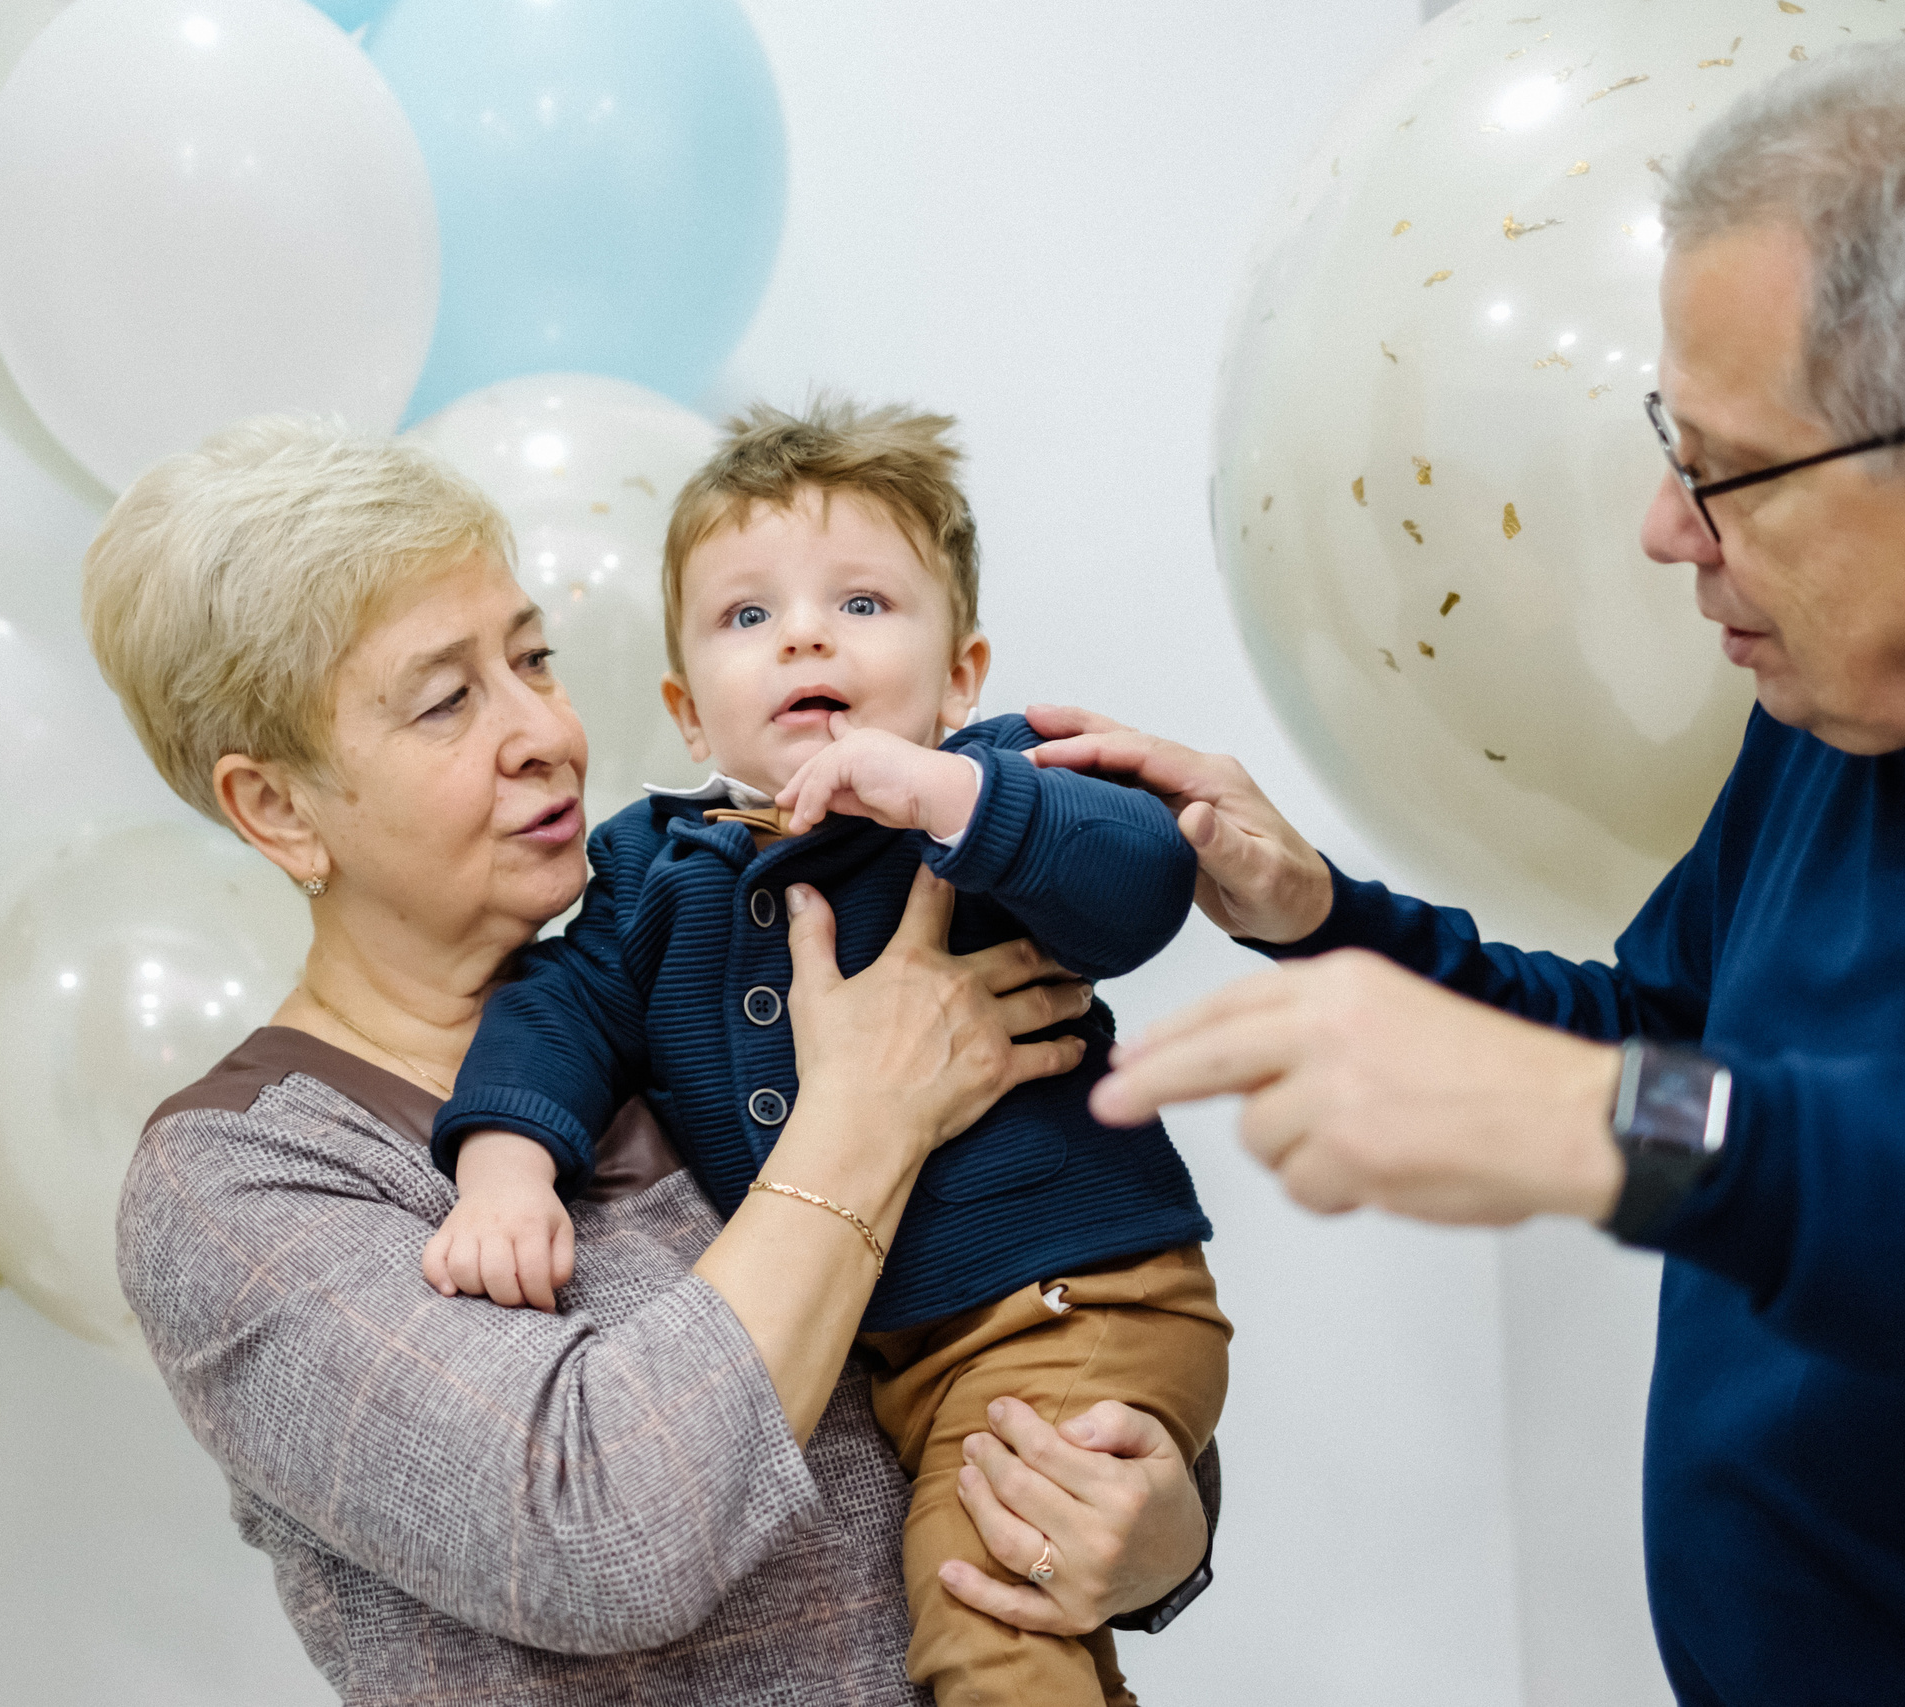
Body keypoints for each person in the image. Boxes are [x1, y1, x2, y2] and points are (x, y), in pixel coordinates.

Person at [1036, 41, 1905, 1704]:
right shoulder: (1849, 687)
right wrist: (1323, 914)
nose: (1661, 524)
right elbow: (1658, 1026)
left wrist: (1623, 1132)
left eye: (1719, 465)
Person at [91, 418, 1217, 1705]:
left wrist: (1157, 1533)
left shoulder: (685, 969)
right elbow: (601, 1532)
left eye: (532, 659)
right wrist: (867, 1115)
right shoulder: (244, 1181)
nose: (545, 734)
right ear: (278, 808)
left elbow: (1016, 1337)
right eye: (449, 699)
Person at [427, 399, 1229, 1707]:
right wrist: (505, 1169)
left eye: (862, 602)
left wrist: (949, 794)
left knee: (987, 1627)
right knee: (1024, 1630)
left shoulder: (991, 789)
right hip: (906, 1354)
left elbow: (1141, 881)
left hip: (1075, 1303)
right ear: (691, 711)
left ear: (960, 673)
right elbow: (557, 1004)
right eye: (749, 616)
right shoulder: (652, 868)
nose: (803, 632)